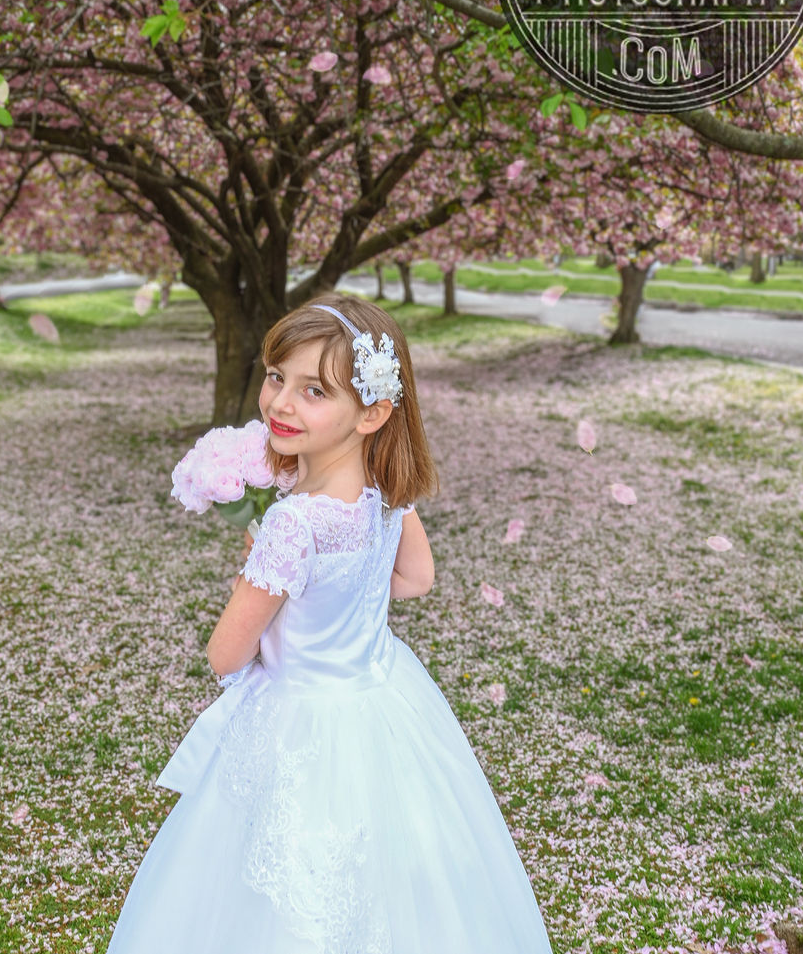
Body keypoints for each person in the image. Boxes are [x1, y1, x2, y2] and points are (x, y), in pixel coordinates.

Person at [105, 294, 554, 954]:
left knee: (287, 886)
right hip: (382, 700)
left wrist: (255, 572)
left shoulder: (293, 521)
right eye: (276, 376)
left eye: (314, 389)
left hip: (302, 720)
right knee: (388, 872)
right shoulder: (383, 495)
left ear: (371, 412)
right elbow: (414, 580)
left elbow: (226, 655)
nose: (281, 402)